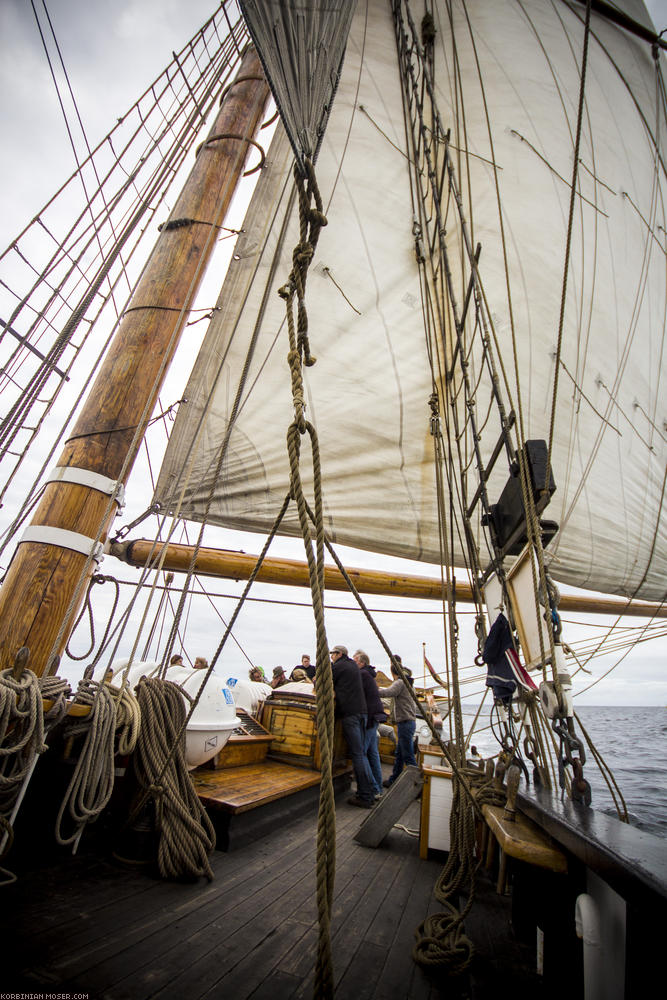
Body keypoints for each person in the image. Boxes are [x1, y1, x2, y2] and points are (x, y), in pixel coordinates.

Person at [330, 644, 374, 809]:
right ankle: (370, 791)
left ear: (339, 654)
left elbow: (323, 680)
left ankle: (366, 796)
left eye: (333, 654)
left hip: (351, 714)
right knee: (361, 754)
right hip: (362, 713)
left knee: (358, 754)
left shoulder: (339, 666)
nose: (331, 657)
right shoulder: (352, 666)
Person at [353, 649, 386, 798]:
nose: (353, 664)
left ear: (361, 663)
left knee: (362, 753)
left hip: (370, 717)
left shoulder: (362, 674)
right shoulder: (369, 675)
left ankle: (373, 789)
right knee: (373, 754)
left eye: (355, 662)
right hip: (376, 716)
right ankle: (378, 787)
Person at [381, 655, 417, 787]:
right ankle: (393, 780)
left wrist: (371, 689)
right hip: (408, 723)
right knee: (400, 754)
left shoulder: (400, 682)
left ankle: (417, 784)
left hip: (405, 723)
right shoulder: (407, 682)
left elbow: (387, 693)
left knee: (407, 756)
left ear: (393, 672)